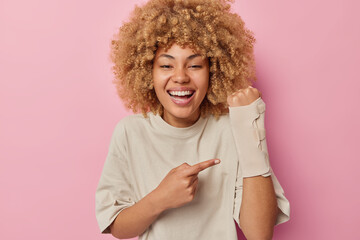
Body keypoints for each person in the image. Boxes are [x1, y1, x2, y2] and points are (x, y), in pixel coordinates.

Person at [95, 0, 290, 239]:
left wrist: (250, 125)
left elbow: (260, 234)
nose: (180, 77)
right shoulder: (129, 133)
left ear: (214, 71)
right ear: (147, 72)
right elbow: (118, 228)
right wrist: (160, 198)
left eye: (195, 65)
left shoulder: (232, 129)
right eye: (166, 65)